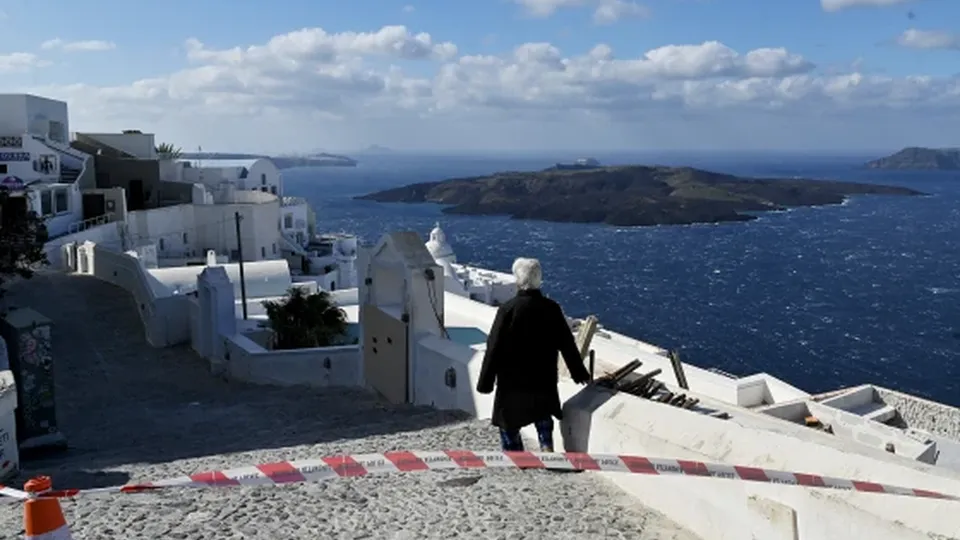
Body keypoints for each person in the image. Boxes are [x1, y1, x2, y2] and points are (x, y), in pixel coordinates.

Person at [476, 257, 591, 452]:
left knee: (509, 424)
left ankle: (517, 456)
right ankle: (546, 449)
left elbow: (493, 347)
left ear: (518, 279)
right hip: (543, 378)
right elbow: (567, 344)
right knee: (543, 417)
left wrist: (485, 382)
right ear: (538, 279)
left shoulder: (508, 309)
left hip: (512, 380)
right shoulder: (551, 308)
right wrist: (579, 373)